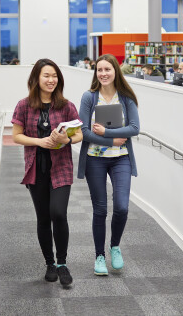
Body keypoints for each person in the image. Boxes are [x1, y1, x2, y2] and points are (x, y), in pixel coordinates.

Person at [12, 58, 81, 287]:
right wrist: (40, 142)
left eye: (54, 76)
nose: (51, 80)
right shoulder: (24, 105)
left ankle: (62, 263)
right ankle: (49, 263)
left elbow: (79, 134)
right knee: (43, 217)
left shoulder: (66, 105)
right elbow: (16, 136)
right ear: (36, 78)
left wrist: (67, 139)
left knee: (58, 213)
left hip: (61, 167)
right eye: (46, 76)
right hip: (36, 168)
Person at [78, 54, 140, 277]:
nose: (103, 73)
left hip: (121, 158)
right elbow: (83, 131)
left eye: (107, 69)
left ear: (116, 71)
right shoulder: (89, 97)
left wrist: (107, 132)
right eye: (99, 70)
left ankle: (115, 246)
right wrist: (110, 140)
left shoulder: (126, 97)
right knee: (100, 209)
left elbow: (134, 128)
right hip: (95, 159)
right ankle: (99, 255)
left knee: (122, 207)